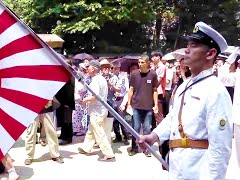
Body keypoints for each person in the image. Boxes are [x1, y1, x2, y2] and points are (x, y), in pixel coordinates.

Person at [137, 22, 233, 179]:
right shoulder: (185, 86)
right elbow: (173, 118)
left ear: (210, 54)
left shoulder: (216, 91)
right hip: (178, 167)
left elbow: (220, 148)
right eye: (188, 44)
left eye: (194, 45)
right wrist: (154, 136)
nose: (187, 50)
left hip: (198, 170)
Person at [78, 60, 115, 162]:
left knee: (99, 132)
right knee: (92, 129)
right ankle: (86, 147)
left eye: (88, 67)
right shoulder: (101, 79)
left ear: (93, 68)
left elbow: (95, 96)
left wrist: (85, 99)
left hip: (97, 110)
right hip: (101, 110)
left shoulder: (95, 80)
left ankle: (109, 154)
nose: (87, 69)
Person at [126, 55, 158, 156]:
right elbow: (131, 89)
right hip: (136, 106)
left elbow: (155, 90)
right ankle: (134, 148)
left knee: (147, 129)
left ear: (148, 63)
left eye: (142, 62)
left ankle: (147, 149)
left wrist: (156, 104)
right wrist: (129, 104)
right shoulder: (134, 74)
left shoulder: (153, 74)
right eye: (139, 62)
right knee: (135, 128)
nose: (140, 64)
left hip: (148, 107)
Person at [24, 98, 64, 165]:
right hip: (31, 105)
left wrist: (49, 99)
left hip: (45, 105)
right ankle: (28, 156)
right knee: (31, 132)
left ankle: (55, 154)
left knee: (51, 131)